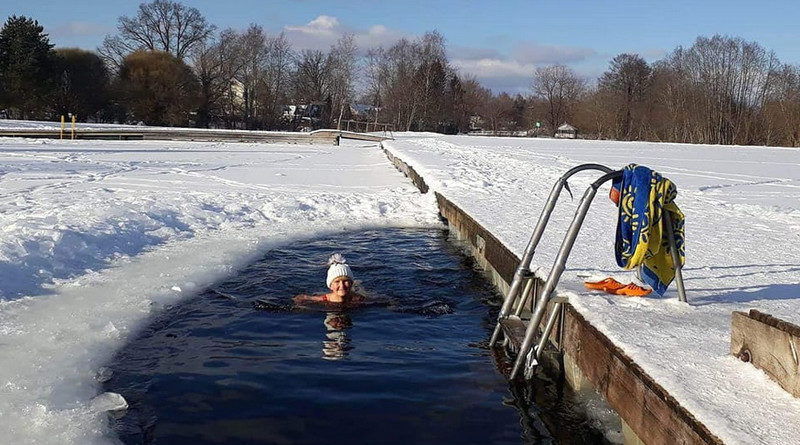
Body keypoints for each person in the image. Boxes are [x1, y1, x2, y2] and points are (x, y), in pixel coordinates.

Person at [293, 253, 365, 306]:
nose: (342, 285)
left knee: (360, 290)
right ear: (330, 286)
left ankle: (357, 285)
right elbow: (301, 297)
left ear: (351, 283)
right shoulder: (324, 299)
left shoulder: (359, 299)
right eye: (337, 281)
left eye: (345, 281)